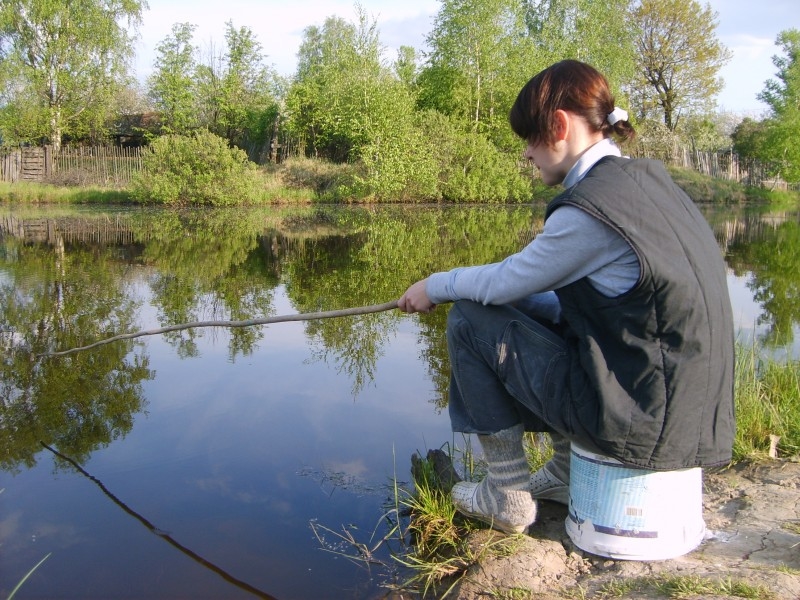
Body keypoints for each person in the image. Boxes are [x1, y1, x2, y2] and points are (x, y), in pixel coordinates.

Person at [397, 59, 735, 535]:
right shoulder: (647, 185)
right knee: (534, 307)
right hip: (675, 411)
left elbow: (501, 281)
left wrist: (433, 285)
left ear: (558, 125)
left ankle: (505, 495)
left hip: (640, 421)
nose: (528, 156)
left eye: (529, 140)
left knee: (471, 318)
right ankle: (562, 472)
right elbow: (580, 306)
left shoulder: (593, 210)